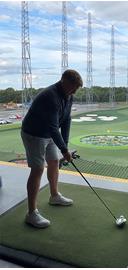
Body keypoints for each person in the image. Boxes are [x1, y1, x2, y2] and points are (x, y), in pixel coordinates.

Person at [21, 69, 83, 228]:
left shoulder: (68, 96)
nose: (74, 91)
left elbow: (67, 119)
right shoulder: (50, 96)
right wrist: (64, 150)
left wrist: (66, 145)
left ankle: (54, 196)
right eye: (73, 87)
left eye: (77, 89)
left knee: (54, 162)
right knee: (38, 169)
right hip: (34, 134)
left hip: (48, 133)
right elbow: (54, 127)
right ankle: (31, 213)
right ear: (63, 81)